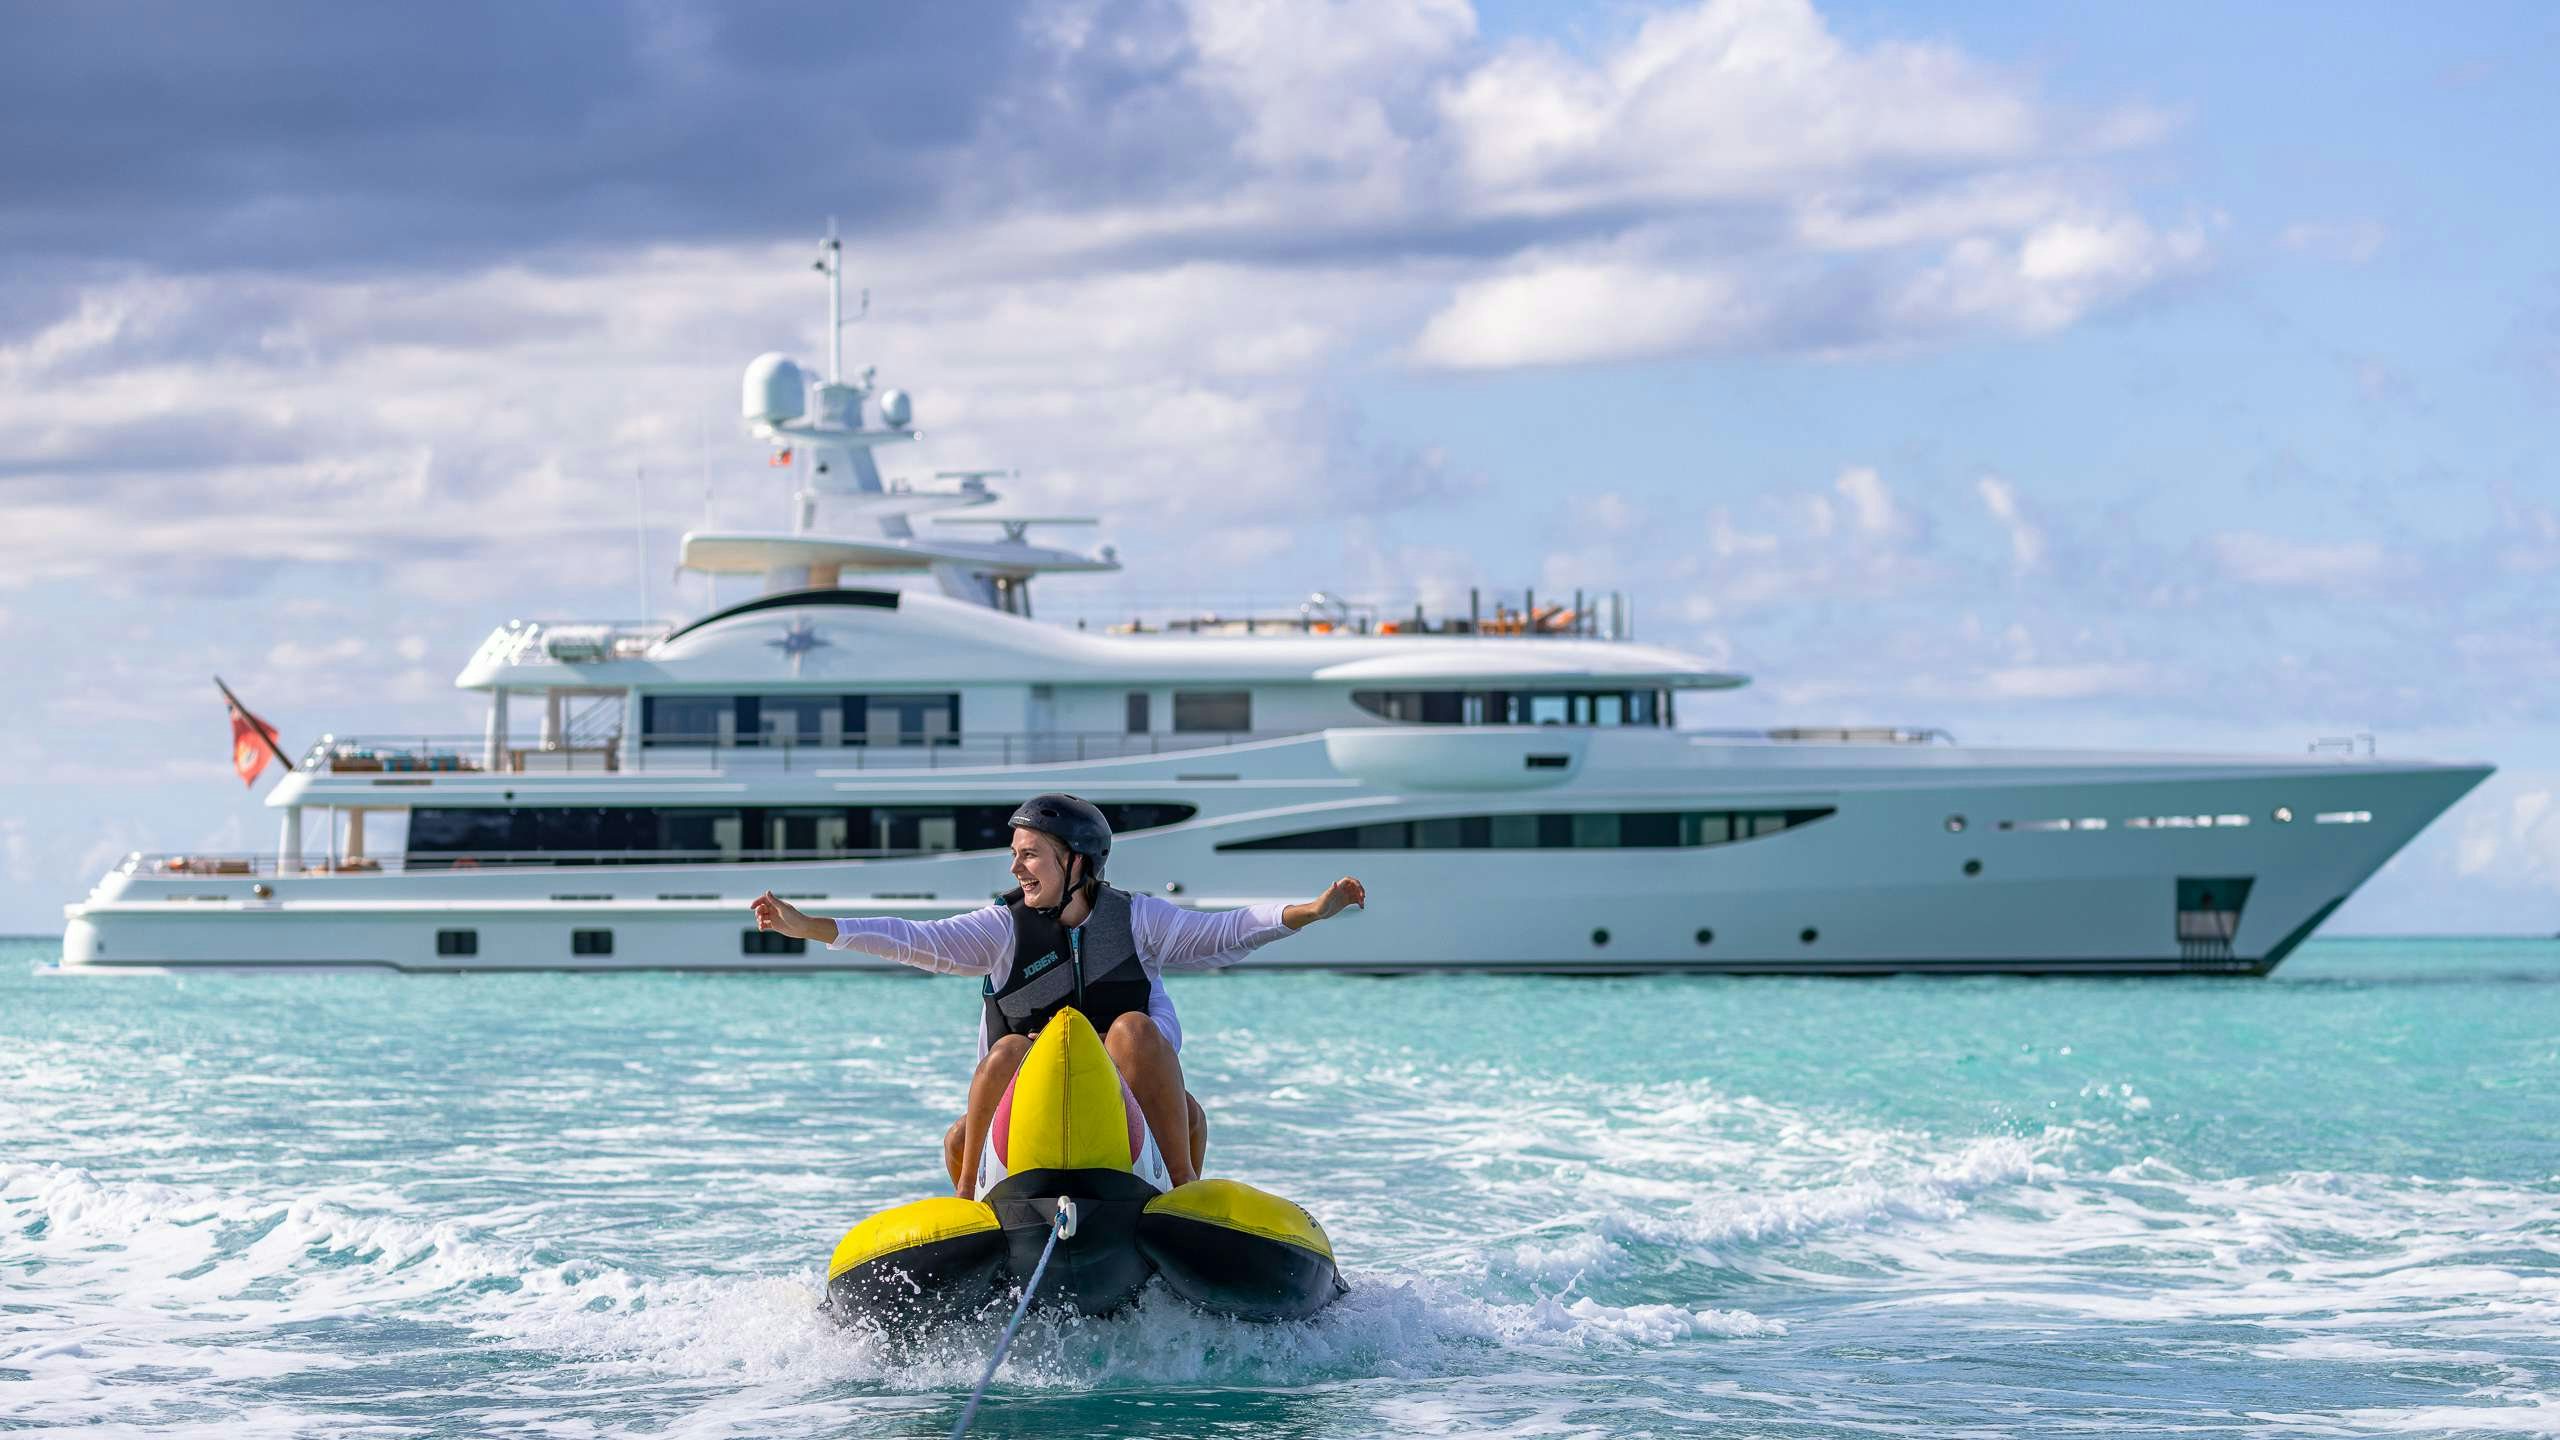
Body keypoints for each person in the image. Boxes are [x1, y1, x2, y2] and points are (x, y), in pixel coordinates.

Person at [750, 793, 1365, 1196]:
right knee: (1003, 1061)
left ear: (1075, 862)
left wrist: (1309, 911)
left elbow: (1223, 931)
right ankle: (965, 1206)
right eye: (1015, 856)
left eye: (1030, 856)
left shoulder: (1139, 919)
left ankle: (1183, 1199)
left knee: (1135, 1033)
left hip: (1127, 1121)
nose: (1016, 869)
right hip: (1024, 1124)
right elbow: (912, 939)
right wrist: (813, 929)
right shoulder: (1000, 927)